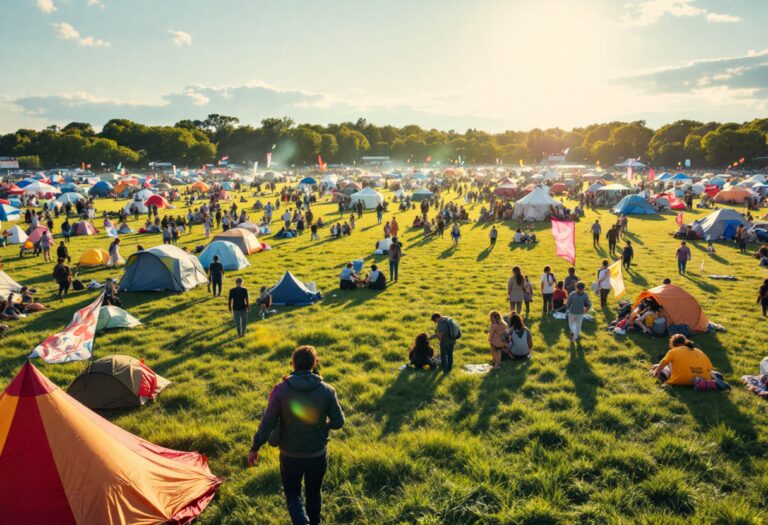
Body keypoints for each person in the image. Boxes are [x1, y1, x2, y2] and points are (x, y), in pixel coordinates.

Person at [248, 345, 345, 525]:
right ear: (314, 364)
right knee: (314, 493)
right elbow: (339, 422)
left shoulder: (280, 389)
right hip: (317, 454)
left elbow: (267, 422)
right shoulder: (327, 390)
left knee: (292, 493)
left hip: (290, 455)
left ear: (293, 364)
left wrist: (255, 447)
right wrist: (324, 426)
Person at [649, 334, 714, 387]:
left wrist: (656, 371)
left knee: (659, 368)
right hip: (704, 378)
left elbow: (663, 362)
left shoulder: (673, 351)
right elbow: (710, 367)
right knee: (661, 366)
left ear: (676, 345)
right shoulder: (699, 351)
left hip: (680, 380)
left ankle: (662, 376)